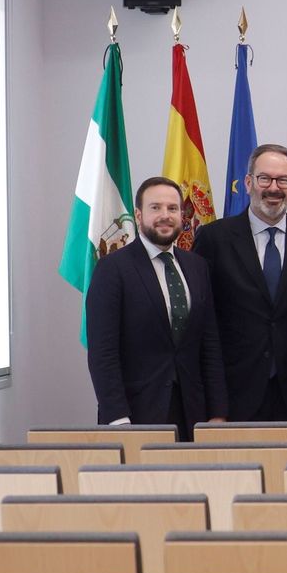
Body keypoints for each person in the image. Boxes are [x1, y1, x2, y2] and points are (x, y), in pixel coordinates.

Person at [191, 143, 287, 421]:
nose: (273, 188)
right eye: (264, 178)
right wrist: (213, 403)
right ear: (248, 182)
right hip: (233, 392)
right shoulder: (213, 238)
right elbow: (202, 321)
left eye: (283, 180)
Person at [86, 176, 227, 440]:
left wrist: (217, 411)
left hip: (192, 413)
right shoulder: (112, 269)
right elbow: (103, 352)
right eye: (156, 208)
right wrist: (117, 418)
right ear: (138, 215)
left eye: (172, 208)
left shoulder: (197, 267)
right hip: (134, 415)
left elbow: (210, 344)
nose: (165, 215)